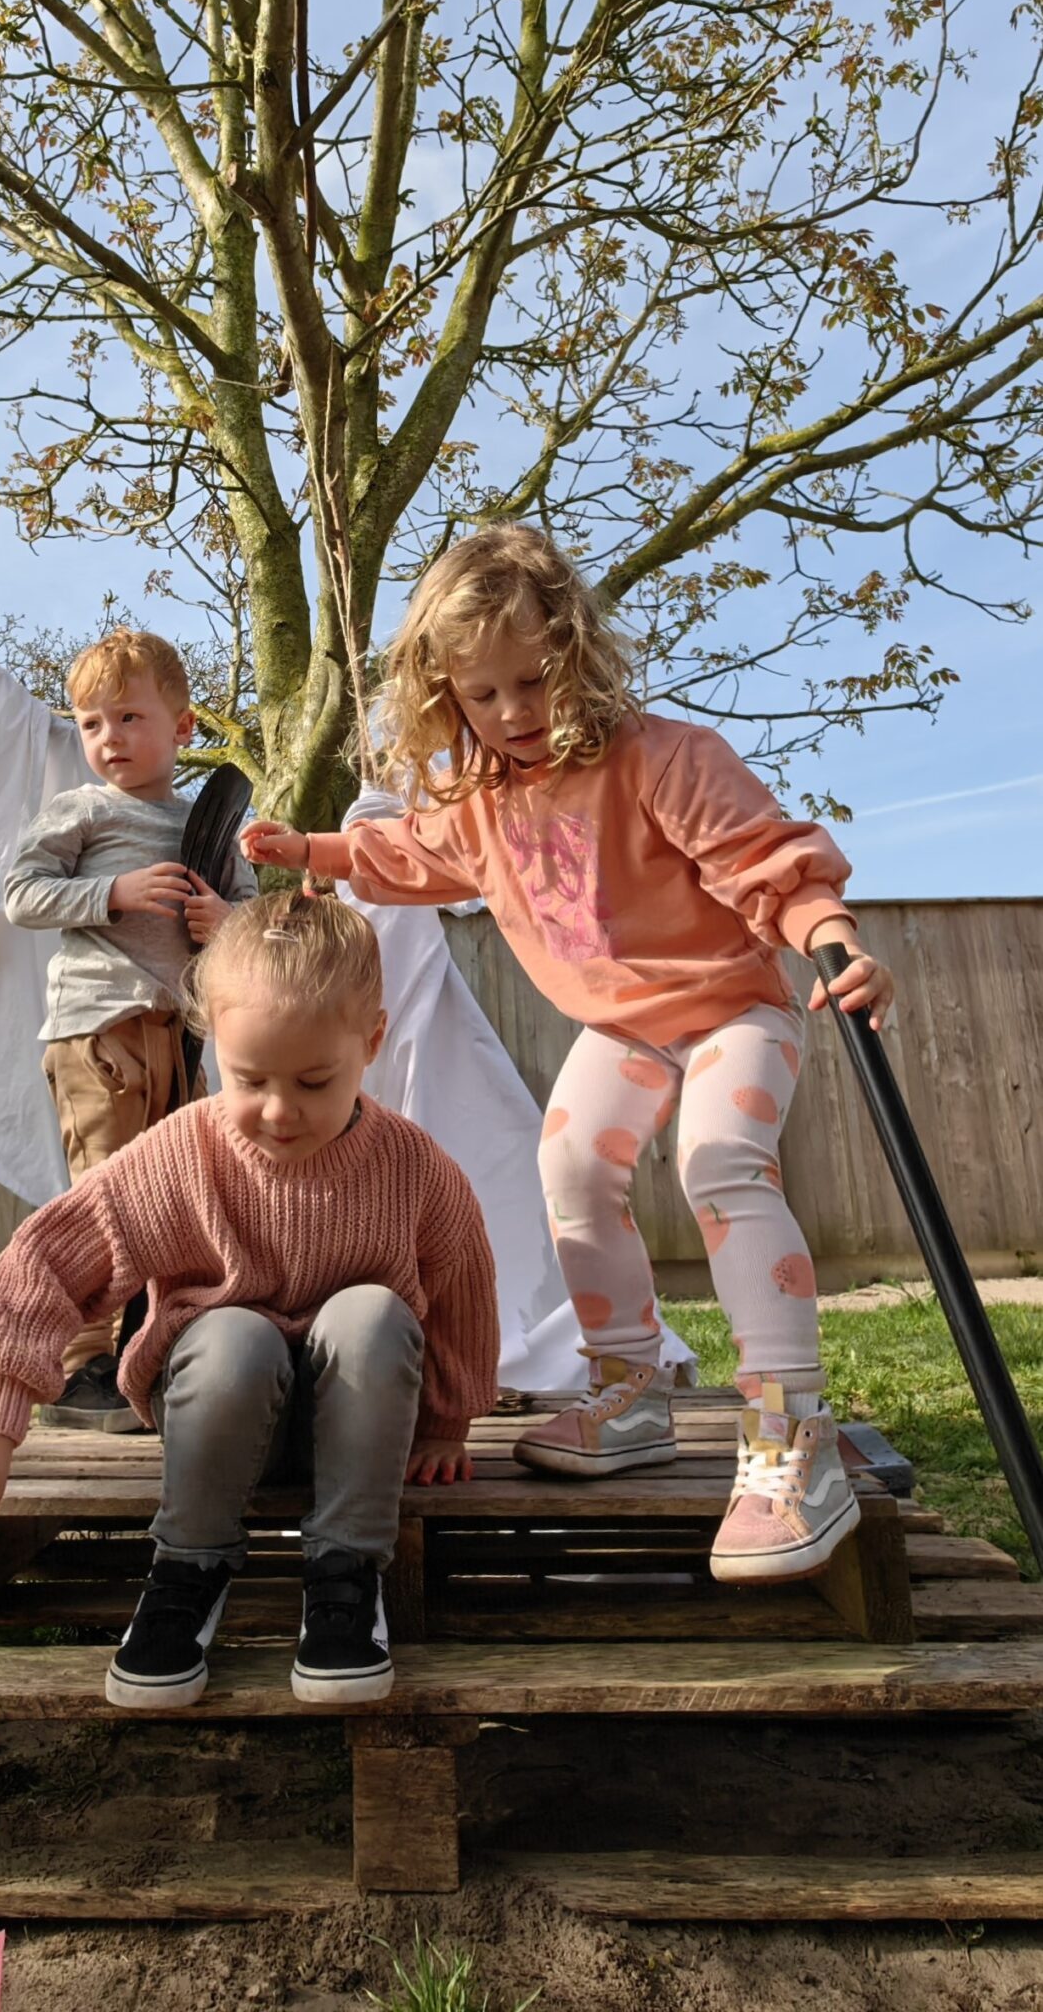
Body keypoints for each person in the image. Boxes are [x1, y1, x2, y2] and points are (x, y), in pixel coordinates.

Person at [243, 524, 896, 1587]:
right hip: (623, 1026)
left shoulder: (664, 759)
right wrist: (310, 850)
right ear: (446, 696)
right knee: (571, 1171)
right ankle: (629, 1390)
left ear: (576, 651)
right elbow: (406, 854)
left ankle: (791, 1434)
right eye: (480, 695)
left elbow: (762, 860)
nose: (510, 715)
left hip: (734, 1005)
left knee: (718, 1162)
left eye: (531, 681)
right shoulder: (482, 803)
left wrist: (830, 934)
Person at [0, 892, 499, 1707]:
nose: (278, 1109)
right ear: (213, 1049)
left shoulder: (412, 1168)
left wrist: (448, 1420)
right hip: (222, 1416)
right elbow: (47, 1262)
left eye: (313, 1080)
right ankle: (187, 1566)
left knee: (374, 1311)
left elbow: (462, 1288)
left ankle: (345, 1573)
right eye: (249, 1077)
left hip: (360, 1431)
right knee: (233, 1333)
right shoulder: (183, 1155)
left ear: (371, 1042)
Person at [4, 626, 255, 1429]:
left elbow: (247, 915)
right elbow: (21, 895)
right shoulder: (80, 810)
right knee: (105, 1193)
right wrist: (109, 893)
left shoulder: (206, 825)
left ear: (182, 728)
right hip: (98, 1031)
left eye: (129, 718)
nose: (109, 738)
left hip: (181, 1036)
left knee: (175, 1198)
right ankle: (80, 1366)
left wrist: (224, 919)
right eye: (91, 724)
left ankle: (150, 1353)